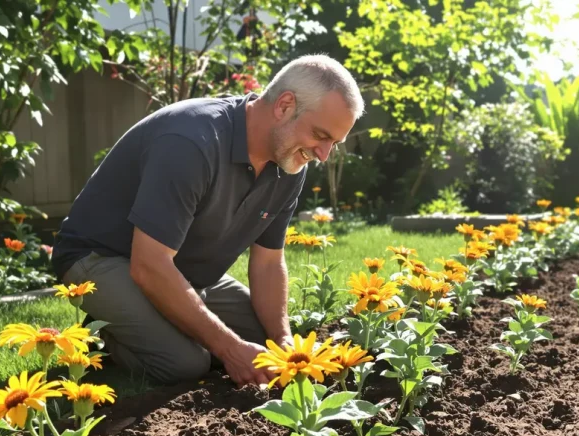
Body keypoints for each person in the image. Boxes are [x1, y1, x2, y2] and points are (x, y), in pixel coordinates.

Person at [51, 54, 364, 387]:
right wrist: (228, 348)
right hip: (101, 260)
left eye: (334, 143)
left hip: (177, 267)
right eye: (321, 135)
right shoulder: (192, 142)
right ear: (285, 105)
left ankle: (155, 320)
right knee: (186, 363)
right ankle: (103, 334)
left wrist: (283, 341)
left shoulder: (289, 161)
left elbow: (269, 262)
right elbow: (149, 265)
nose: (323, 154)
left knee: (264, 344)